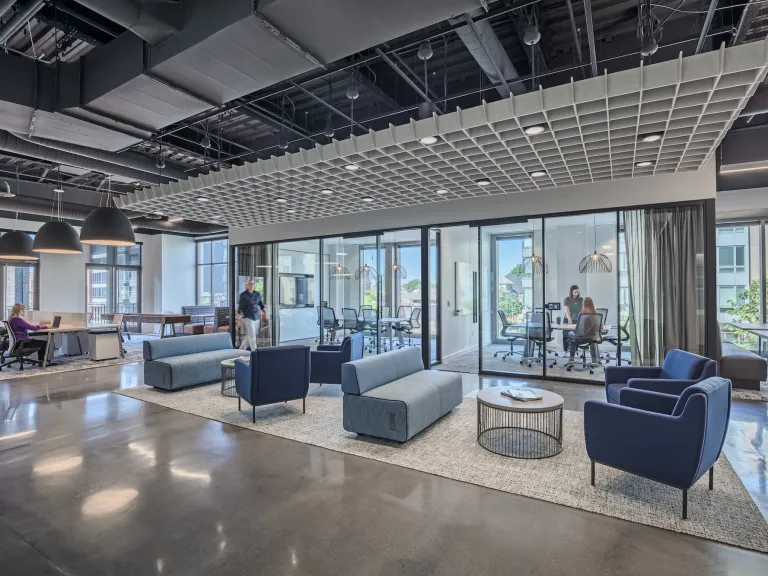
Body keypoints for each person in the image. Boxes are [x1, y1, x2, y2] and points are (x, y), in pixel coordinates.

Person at [566, 297, 601, 366]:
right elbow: (600, 327)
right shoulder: (596, 314)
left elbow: (579, 328)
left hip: (581, 338)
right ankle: (594, 360)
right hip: (592, 339)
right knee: (591, 337)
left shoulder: (582, 314)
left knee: (570, 334)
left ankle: (571, 358)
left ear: (583, 304)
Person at [238, 280, 268, 351]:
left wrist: (266, 313)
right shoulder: (243, 295)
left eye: (253, 284)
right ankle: (255, 352)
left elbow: (261, 305)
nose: (252, 285)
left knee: (250, 334)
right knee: (252, 336)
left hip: (256, 317)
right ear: (247, 285)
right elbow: (240, 308)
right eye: (250, 284)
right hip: (248, 317)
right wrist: (238, 320)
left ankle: (241, 349)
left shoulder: (257, 294)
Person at [562, 285, 583, 352]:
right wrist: (569, 319)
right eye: (575, 292)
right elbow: (567, 310)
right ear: (571, 292)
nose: (577, 294)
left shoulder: (581, 299)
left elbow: (583, 309)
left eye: (578, 292)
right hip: (568, 319)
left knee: (575, 335)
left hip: (577, 320)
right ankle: (565, 350)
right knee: (566, 335)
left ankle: (575, 350)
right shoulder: (567, 299)